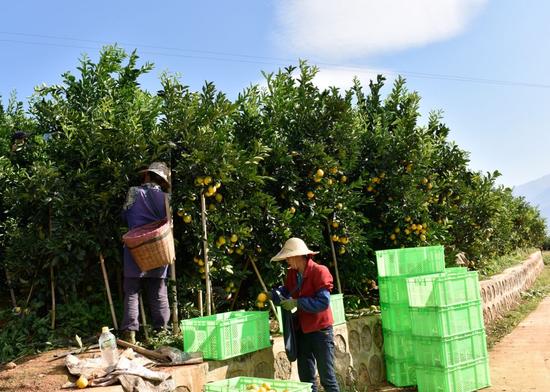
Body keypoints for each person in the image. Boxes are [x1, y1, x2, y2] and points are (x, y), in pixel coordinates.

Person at [269, 238, 340, 392]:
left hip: (321, 332)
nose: (287, 260)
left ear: (298, 256)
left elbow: (323, 302)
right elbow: (288, 291)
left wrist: (297, 303)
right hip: (302, 331)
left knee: (327, 378)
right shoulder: (292, 274)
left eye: (288, 257)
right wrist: (274, 294)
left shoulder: (320, 271)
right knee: (306, 380)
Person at [121, 162, 171, 344]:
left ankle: (130, 334)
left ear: (147, 176)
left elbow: (125, 215)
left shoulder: (134, 192)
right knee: (158, 291)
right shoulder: (166, 198)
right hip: (159, 248)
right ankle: (162, 333)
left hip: (135, 248)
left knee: (132, 291)